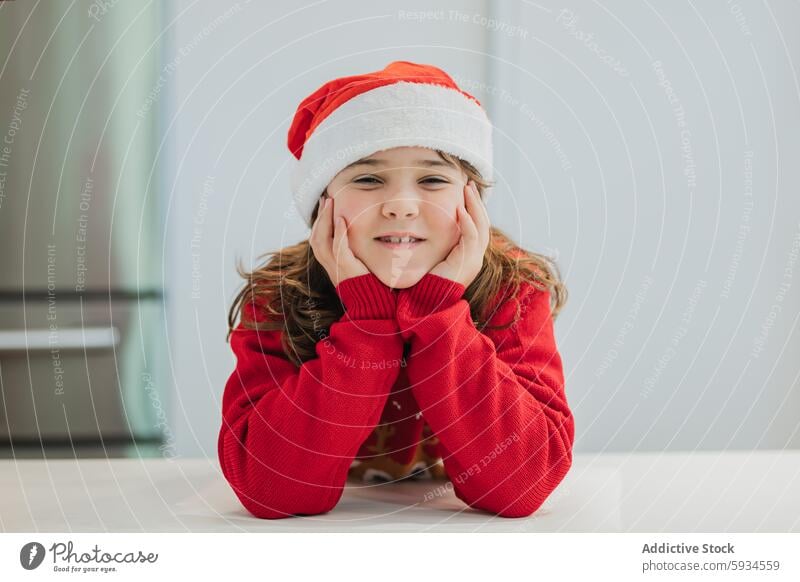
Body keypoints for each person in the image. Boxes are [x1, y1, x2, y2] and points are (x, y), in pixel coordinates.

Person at [218, 60, 574, 519]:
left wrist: (439, 312)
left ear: (471, 200)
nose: (402, 206)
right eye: (367, 179)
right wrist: (367, 323)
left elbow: (521, 486)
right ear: (320, 202)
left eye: (432, 179)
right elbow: (269, 489)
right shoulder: (277, 295)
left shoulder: (513, 289)